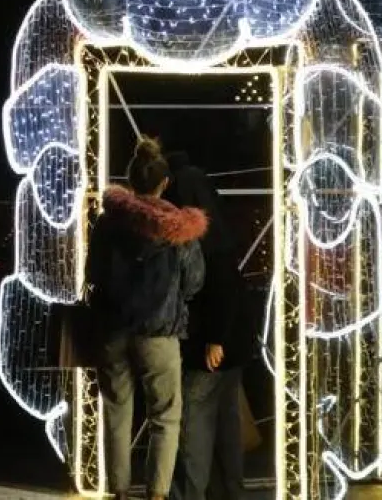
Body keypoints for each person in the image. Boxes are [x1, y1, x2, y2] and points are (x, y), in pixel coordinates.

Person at [87, 137, 207, 500]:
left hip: (113, 328)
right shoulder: (178, 230)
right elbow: (195, 281)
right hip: (159, 331)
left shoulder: (108, 223)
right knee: (165, 416)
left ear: (130, 180)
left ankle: (119, 491)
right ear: (164, 183)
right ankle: (157, 494)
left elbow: (94, 272)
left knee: (116, 409)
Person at [164, 147, 247, 500]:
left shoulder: (199, 239)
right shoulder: (221, 232)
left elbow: (216, 288)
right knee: (226, 425)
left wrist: (214, 337)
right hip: (231, 341)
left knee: (195, 423)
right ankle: (230, 492)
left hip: (207, 343)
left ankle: (189, 493)